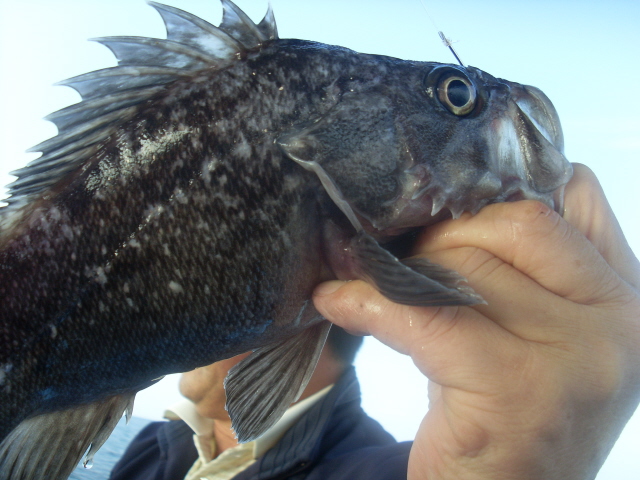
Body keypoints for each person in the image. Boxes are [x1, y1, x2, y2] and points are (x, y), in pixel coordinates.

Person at [113, 163, 640, 480]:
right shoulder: (153, 442)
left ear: (307, 314)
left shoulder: (392, 471)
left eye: (210, 286)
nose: (171, 305)